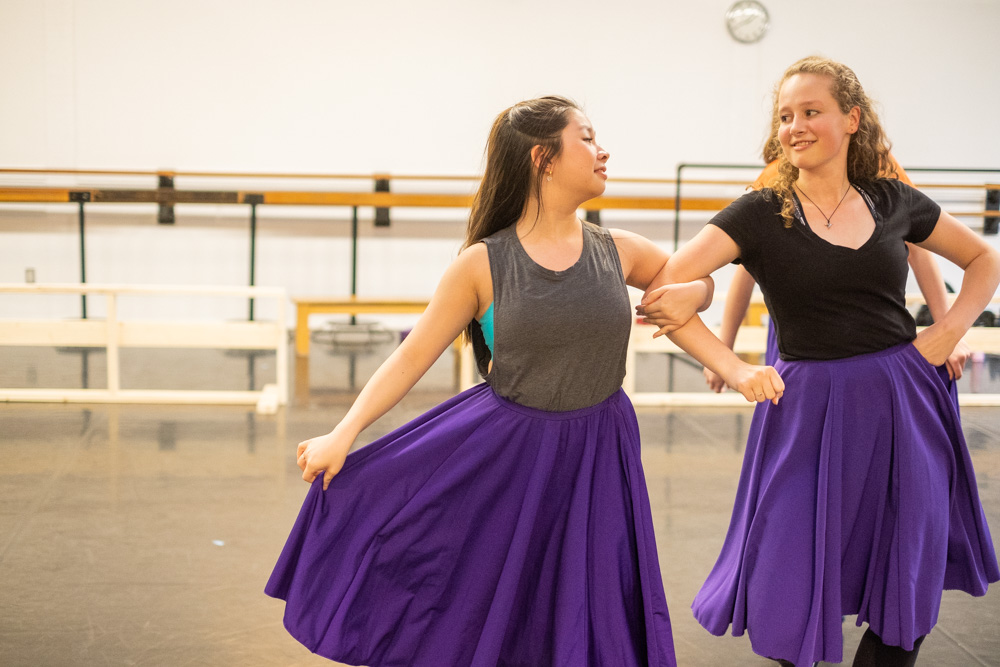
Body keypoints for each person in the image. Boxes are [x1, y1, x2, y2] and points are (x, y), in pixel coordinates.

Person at [265, 95, 782, 667]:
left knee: (592, 596)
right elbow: (411, 357)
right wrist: (344, 433)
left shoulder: (620, 250)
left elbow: (685, 296)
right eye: (586, 137)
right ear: (544, 159)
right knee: (497, 597)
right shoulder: (482, 264)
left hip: (598, 450)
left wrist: (726, 350)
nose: (602, 149)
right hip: (509, 454)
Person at [639, 57, 1000, 666]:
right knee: (788, 566)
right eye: (785, 115)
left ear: (851, 119)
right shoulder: (759, 210)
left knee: (902, 570)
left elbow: (983, 261)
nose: (794, 126)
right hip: (804, 404)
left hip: (902, 396)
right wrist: (727, 356)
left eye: (811, 112)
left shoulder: (893, 199)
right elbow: (669, 286)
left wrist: (949, 329)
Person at [703, 152, 970, 392]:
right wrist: (724, 350)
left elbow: (918, 249)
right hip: (799, 335)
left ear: (852, 120)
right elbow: (747, 266)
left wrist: (948, 332)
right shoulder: (777, 175)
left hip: (876, 336)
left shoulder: (883, 169)